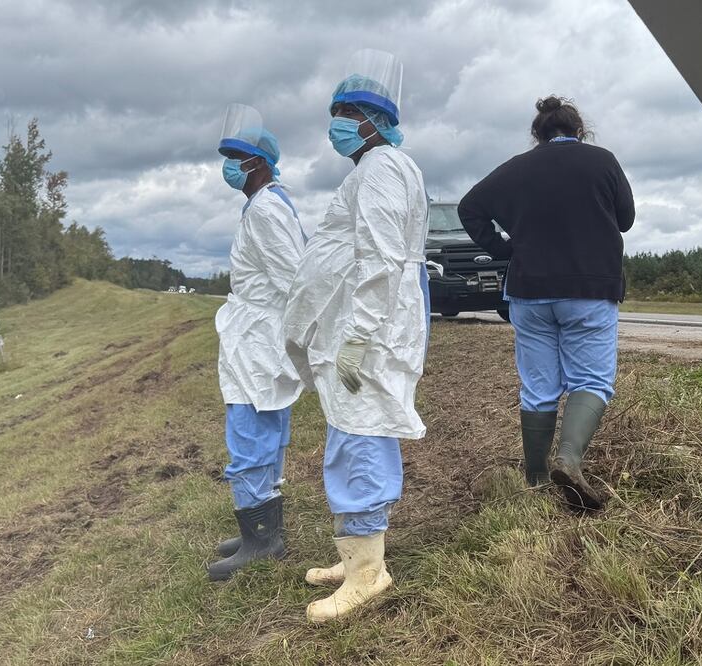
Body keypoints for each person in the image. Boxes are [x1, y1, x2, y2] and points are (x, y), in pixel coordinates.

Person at [283, 49, 430, 623]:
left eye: (348, 111)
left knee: (359, 436)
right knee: (354, 432)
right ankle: (359, 555)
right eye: (335, 110)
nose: (337, 121)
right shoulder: (374, 170)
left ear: (375, 120)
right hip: (361, 326)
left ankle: (369, 574)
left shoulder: (383, 169)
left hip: (370, 329)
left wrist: (362, 336)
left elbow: (381, 258)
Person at [458, 96, 635, 511]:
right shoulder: (602, 160)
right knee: (591, 381)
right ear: (579, 131)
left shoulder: (516, 168)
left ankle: (536, 480)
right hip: (589, 288)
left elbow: (470, 207)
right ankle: (569, 460)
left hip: (529, 291)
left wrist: (501, 248)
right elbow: (625, 219)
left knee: (538, 389)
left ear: (537, 135)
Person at [208, 104, 308, 581]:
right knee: (262, 429)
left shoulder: (267, 209)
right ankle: (262, 527)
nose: (229, 164)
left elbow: (293, 278)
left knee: (249, 432)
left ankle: (261, 538)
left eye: (237, 155)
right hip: (257, 335)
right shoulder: (264, 206)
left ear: (259, 163)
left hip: (259, 339)